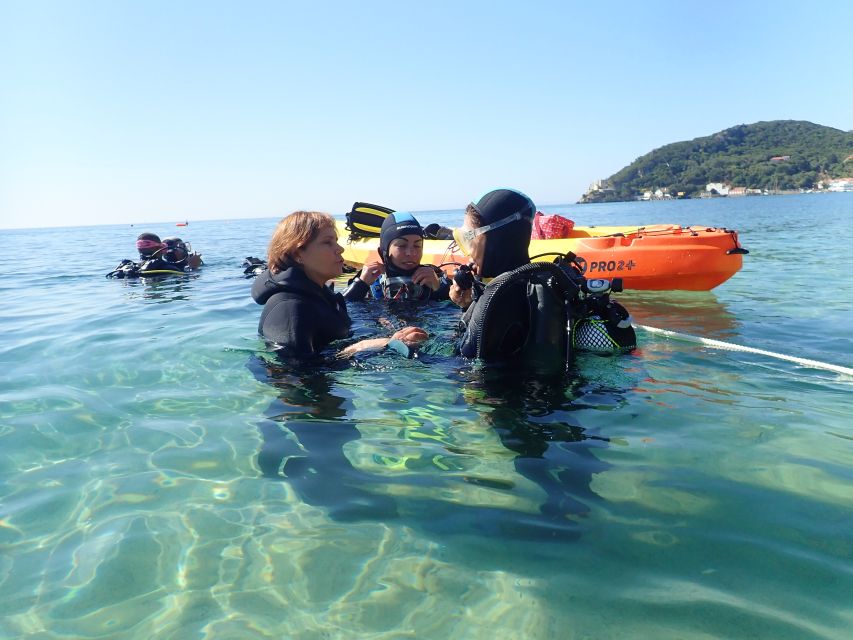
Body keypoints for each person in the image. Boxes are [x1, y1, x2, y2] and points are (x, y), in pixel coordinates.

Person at [448, 188, 635, 362]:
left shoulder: (494, 297)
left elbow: (462, 365)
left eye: (469, 240)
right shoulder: (541, 280)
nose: (468, 253)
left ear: (495, 240)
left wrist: (418, 346)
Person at [251, 210, 427, 358]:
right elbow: (295, 380)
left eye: (336, 241)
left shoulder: (318, 295)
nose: (340, 249)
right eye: (328, 242)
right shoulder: (289, 309)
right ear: (298, 254)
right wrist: (361, 347)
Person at [341, 211, 451, 302]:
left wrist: (439, 290)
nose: (411, 253)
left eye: (417, 245)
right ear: (383, 251)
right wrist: (360, 285)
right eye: (402, 245)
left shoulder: (435, 278)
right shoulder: (367, 282)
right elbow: (339, 312)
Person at [106, 232, 203, 278]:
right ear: (161, 248)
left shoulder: (133, 266)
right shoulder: (166, 267)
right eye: (181, 247)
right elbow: (187, 277)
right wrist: (194, 267)